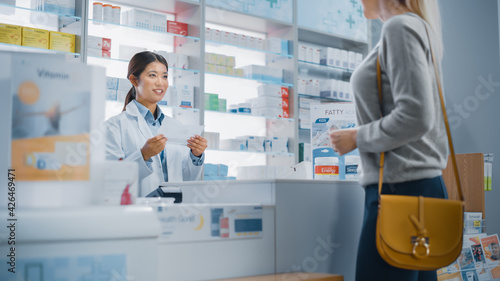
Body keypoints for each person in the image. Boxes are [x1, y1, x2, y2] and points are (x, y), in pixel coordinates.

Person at [329, 0, 447, 280]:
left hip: (399, 191)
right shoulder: (416, 27)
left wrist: (357, 137)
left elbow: (417, 115)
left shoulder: (399, 27)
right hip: (420, 189)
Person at [105, 51, 207, 197]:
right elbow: (111, 180)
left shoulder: (175, 126)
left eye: (164, 76)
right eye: (152, 75)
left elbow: (186, 179)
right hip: (137, 212)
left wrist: (196, 156)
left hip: (173, 210)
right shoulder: (115, 126)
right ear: (134, 80)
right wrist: (143, 155)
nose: (160, 82)